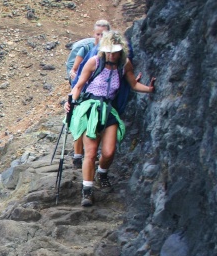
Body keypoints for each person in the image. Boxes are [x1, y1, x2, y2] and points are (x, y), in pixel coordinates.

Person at [63, 30, 155, 207]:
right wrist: (69, 102)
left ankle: (102, 173)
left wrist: (149, 90)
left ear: (121, 51)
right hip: (90, 109)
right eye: (109, 51)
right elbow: (79, 85)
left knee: (109, 152)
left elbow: (133, 84)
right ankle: (87, 190)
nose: (112, 55)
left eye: (115, 51)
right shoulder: (94, 62)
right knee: (90, 153)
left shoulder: (124, 65)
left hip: (108, 110)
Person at [65, 19, 111, 169]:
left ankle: (89, 153)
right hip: (83, 89)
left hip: (98, 94)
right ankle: (78, 156)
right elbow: (75, 69)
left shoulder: (111, 52)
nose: (99, 36)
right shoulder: (86, 49)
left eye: (103, 34)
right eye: (98, 33)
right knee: (80, 120)